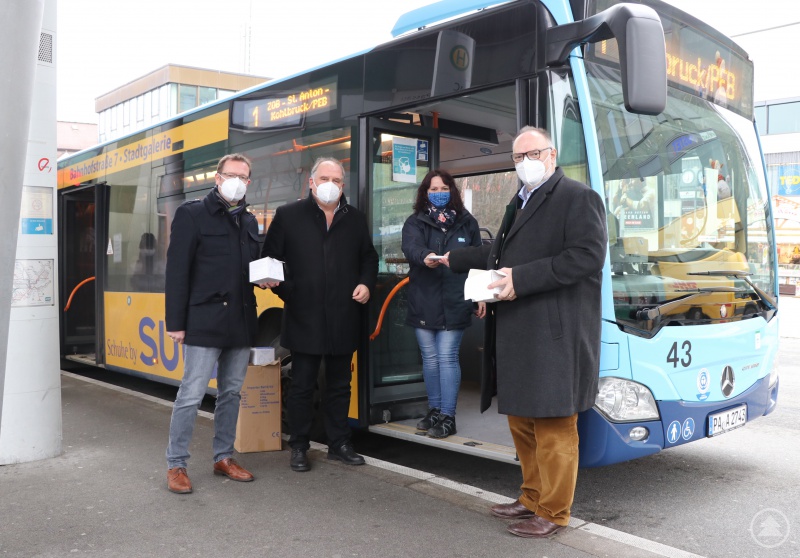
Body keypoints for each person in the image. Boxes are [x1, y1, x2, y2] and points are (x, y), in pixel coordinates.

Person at [444, 127, 607, 538]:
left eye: (532, 154)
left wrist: (522, 278)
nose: (525, 163)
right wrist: (454, 260)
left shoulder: (578, 197)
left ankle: (553, 511)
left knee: (554, 425)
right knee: (521, 421)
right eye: (518, 157)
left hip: (554, 334)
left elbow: (587, 257)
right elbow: (501, 253)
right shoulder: (519, 201)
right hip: (519, 331)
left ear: (552, 154)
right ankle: (532, 496)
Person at [261, 156, 378, 472]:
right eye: (324, 179)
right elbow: (269, 260)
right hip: (304, 316)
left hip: (344, 316)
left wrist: (366, 284)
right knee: (302, 385)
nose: (330, 185)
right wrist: (290, 292)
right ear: (311, 182)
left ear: (343, 185)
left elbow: (369, 257)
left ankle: (339, 444)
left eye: (336, 180)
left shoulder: (355, 218)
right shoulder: (288, 215)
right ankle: (299, 446)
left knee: (340, 385)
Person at [164, 153, 261, 494]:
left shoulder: (249, 221)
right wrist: (176, 323)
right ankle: (176, 464)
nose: (237, 181)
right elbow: (177, 271)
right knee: (191, 394)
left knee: (231, 393)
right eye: (231, 175)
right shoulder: (191, 214)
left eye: (243, 177)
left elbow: (250, 267)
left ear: (248, 182)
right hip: (204, 320)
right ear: (217, 178)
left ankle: (224, 457)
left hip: (240, 321)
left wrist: (265, 277)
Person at [401, 169, 486, 439]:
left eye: (444, 188)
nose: (439, 193)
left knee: (447, 357)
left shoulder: (467, 222)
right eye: (433, 189)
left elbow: (479, 261)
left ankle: (448, 416)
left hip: (455, 300)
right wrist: (424, 256)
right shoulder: (415, 222)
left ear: (452, 191)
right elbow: (410, 247)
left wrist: (480, 295)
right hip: (423, 300)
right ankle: (435, 410)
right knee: (430, 359)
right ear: (425, 193)